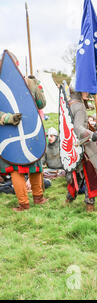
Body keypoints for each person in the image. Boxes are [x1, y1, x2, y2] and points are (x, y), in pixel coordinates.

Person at [0, 52, 48, 211]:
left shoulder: (29, 83)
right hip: (10, 133)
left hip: (30, 128)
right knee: (15, 167)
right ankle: (24, 203)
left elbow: (41, 104)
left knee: (34, 165)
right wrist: (7, 118)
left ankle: (38, 198)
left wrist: (35, 84)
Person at [65, 89, 97, 211]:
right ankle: (89, 205)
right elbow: (78, 127)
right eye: (85, 91)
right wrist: (95, 135)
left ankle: (69, 199)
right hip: (84, 145)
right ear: (78, 91)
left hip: (73, 145)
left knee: (78, 173)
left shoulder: (69, 103)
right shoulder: (79, 107)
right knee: (92, 174)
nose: (88, 92)